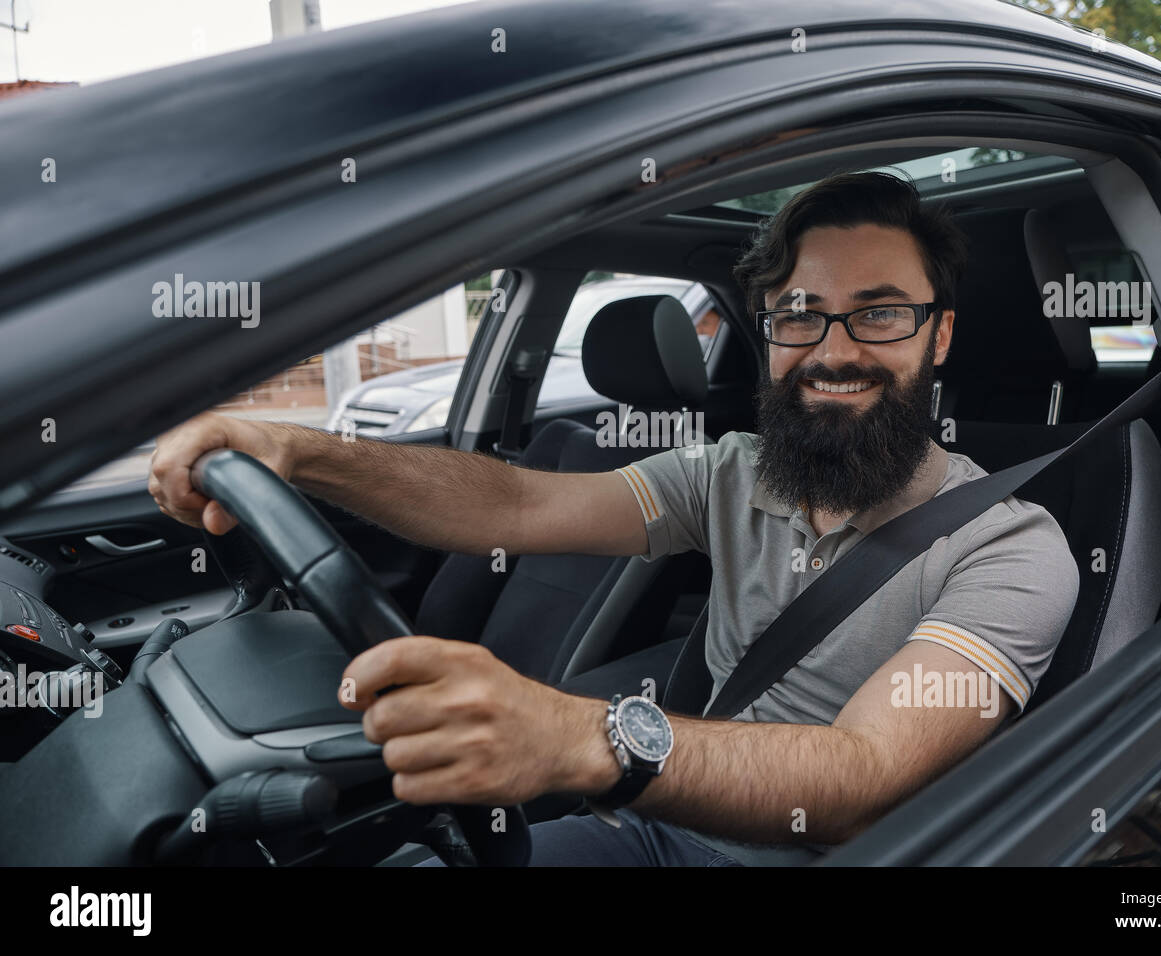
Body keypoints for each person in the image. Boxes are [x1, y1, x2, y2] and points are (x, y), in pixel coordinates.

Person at [149, 171, 1079, 866]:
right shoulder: (728, 472)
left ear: (940, 333)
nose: (833, 351)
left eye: (879, 316)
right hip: (660, 831)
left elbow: (864, 778)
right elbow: (514, 502)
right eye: (799, 315)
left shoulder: (1011, 546)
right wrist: (299, 451)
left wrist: (574, 736)